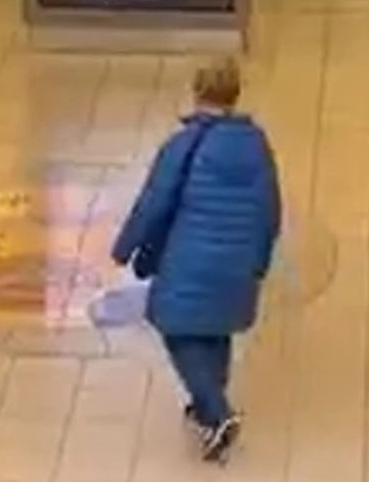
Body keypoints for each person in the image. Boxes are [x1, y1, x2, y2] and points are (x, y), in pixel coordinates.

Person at [112, 57, 282, 464]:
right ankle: (207, 406)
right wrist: (257, 262)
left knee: (177, 329)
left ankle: (217, 412)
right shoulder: (257, 145)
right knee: (215, 329)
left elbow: (154, 203)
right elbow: (271, 212)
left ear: (197, 91)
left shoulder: (183, 145)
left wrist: (126, 248)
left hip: (191, 258)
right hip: (238, 264)